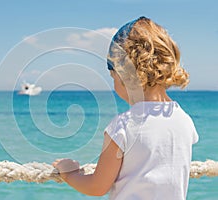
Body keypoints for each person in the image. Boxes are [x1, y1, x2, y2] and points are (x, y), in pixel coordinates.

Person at [53, 16, 199, 199]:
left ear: (124, 74)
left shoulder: (123, 126)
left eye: (113, 77)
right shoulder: (184, 120)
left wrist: (70, 173)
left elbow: (97, 187)